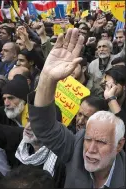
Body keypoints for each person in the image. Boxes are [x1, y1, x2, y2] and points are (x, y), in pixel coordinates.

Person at [27, 28, 125, 188]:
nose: (90, 150)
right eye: (88, 139)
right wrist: (47, 78)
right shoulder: (76, 148)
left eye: (101, 142)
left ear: (119, 145)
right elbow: (44, 126)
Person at [102, 65, 126, 130]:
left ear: (124, 86)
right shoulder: (103, 101)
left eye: (112, 85)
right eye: (106, 84)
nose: (108, 89)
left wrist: (111, 99)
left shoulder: (109, 98)